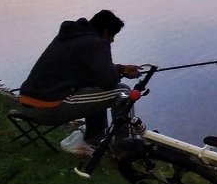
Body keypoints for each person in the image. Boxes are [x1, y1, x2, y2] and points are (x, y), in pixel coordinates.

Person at [19, 10, 139, 156]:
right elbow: (108, 81)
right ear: (106, 31)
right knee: (124, 93)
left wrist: (120, 69)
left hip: (28, 103)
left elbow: (91, 73)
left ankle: (95, 138)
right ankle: (124, 148)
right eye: (112, 35)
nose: (112, 40)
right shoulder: (96, 43)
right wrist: (117, 73)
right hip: (47, 109)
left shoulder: (72, 36)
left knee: (94, 87)